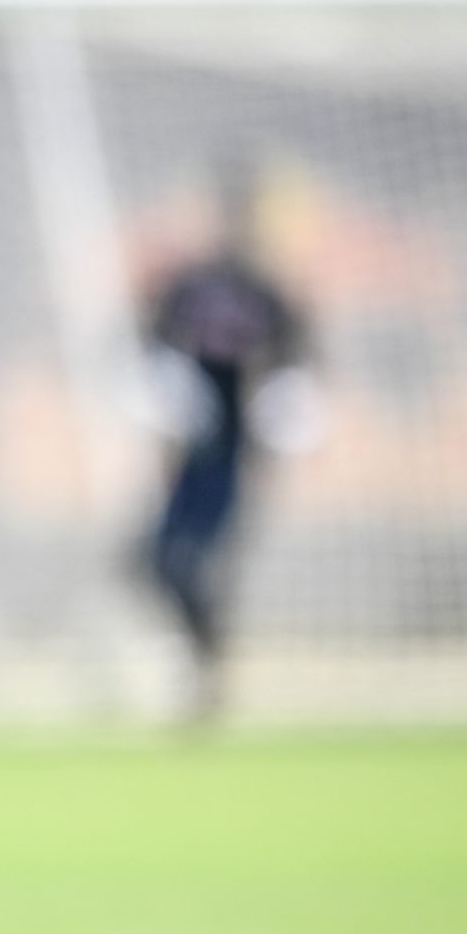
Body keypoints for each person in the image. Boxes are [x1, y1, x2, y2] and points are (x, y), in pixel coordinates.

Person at [139, 163, 314, 717]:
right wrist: (167, 405)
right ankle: (204, 649)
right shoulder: (189, 284)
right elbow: (153, 344)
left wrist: (277, 419)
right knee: (159, 560)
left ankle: (205, 662)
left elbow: (293, 362)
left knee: (196, 561)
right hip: (194, 450)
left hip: (231, 453)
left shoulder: (266, 292)